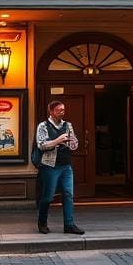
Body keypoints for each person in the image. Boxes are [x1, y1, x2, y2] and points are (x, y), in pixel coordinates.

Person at [35, 100, 84, 235]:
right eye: (59, 110)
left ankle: (69, 224)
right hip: (50, 165)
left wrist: (73, 143)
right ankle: (42, 222)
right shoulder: (43, 126)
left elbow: (74, 143)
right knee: (48, 196)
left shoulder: (68, 125)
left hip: (66, 165)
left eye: (63, 110)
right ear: (51, 111)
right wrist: (58, 140)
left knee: (68, 194)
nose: (62, 112)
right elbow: (41, 145)